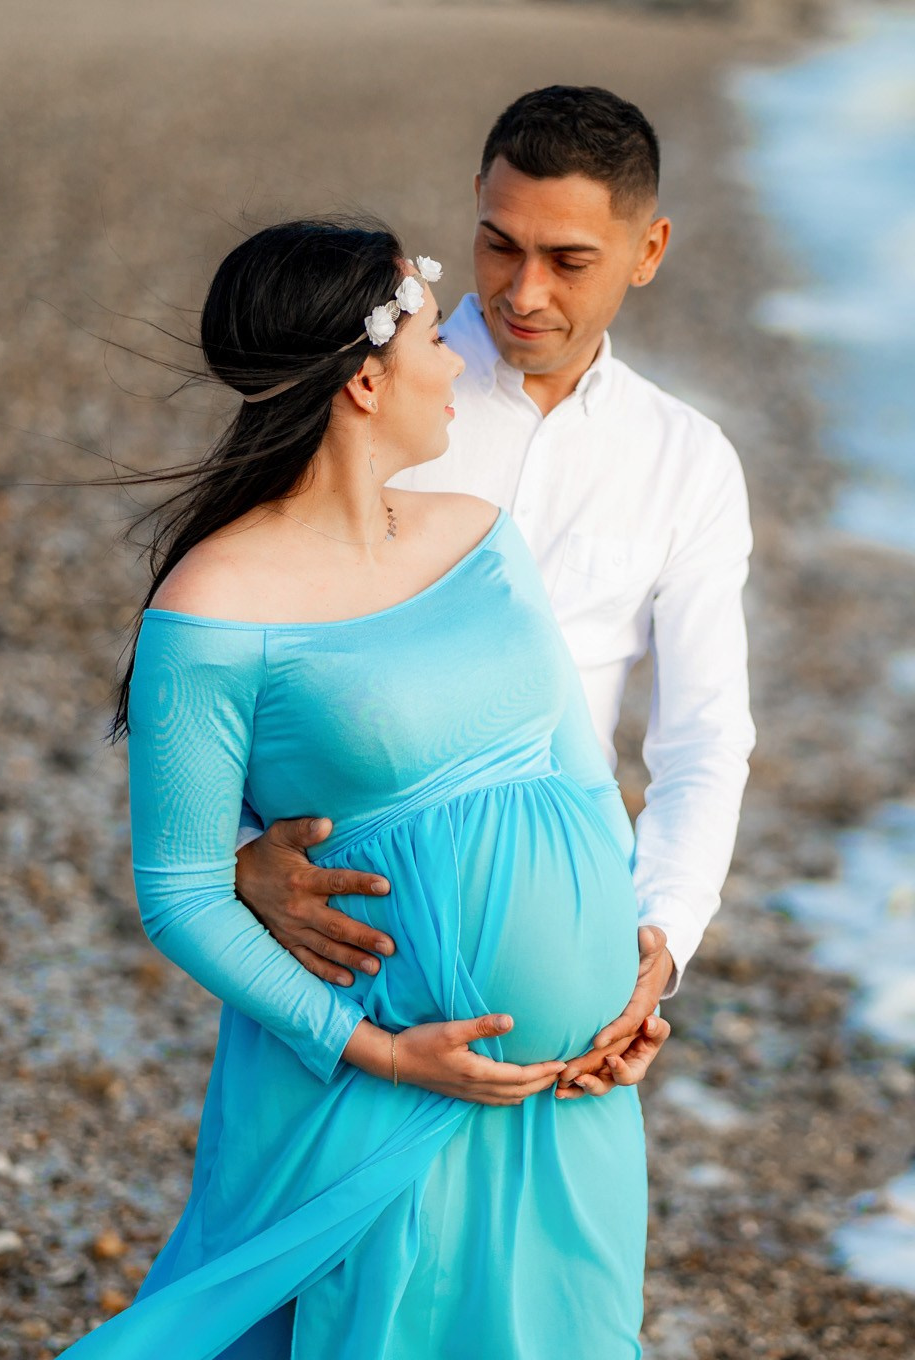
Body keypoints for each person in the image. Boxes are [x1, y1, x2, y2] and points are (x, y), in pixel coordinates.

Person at [60, 220, 660, 1360]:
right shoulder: (213, 606)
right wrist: (380, 1051)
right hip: (377, 1084)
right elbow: (180, 893)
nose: (458, 365)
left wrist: (625, 975)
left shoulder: (482, 535)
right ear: (366, 382)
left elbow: (578, 770)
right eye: (435, 338)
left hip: (569, 1095)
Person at [233, 85, 755, 1099]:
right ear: (475, 200)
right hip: (348, 946)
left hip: (566, 967)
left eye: (568, 261)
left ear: (647, 251)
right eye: (498, 243)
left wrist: (661, 940)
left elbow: (703, 737)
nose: (523, 291)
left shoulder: (685, 461)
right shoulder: (368, 393)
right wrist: (240, 857)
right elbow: (219, 649)